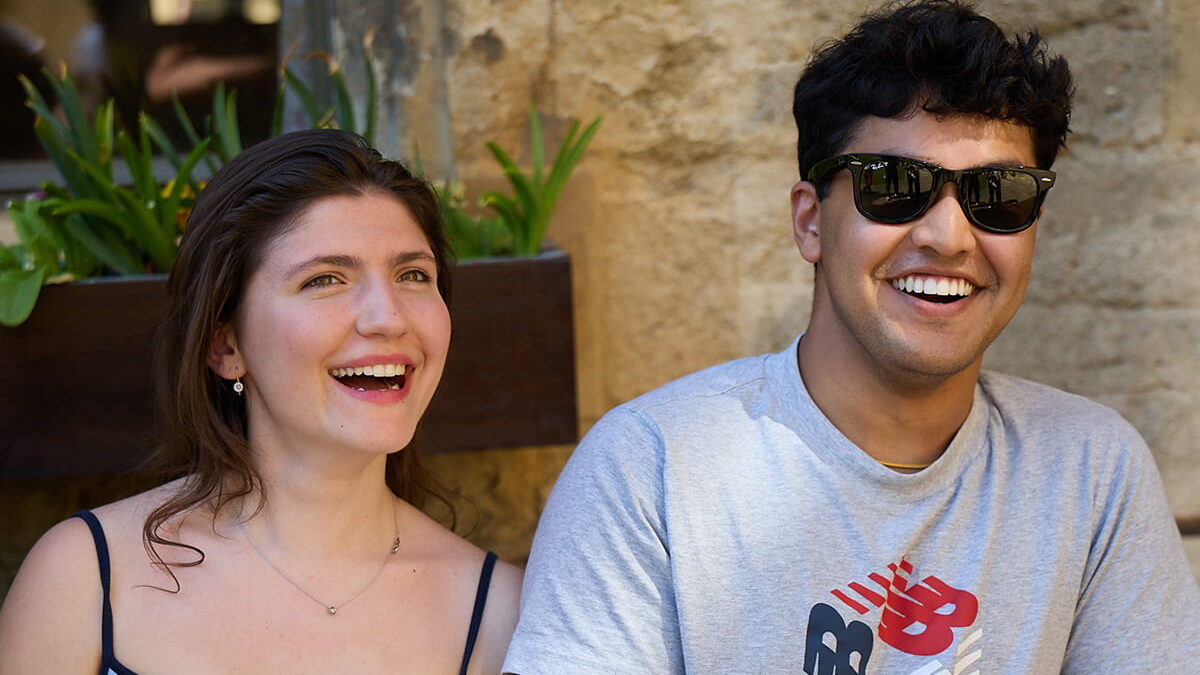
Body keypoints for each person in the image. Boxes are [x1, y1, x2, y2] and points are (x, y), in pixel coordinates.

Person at [503, 1, 1200, 673]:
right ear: (810, 221)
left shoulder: (1092, 472)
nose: (948, 237)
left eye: (1000, 194)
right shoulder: (651, 473)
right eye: (896, 186)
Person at [0, 129, 521, 673]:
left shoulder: (500, 614)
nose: (388, 318)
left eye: (413, 275)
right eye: (325, 279)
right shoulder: (87, 577)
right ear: (225, 346)